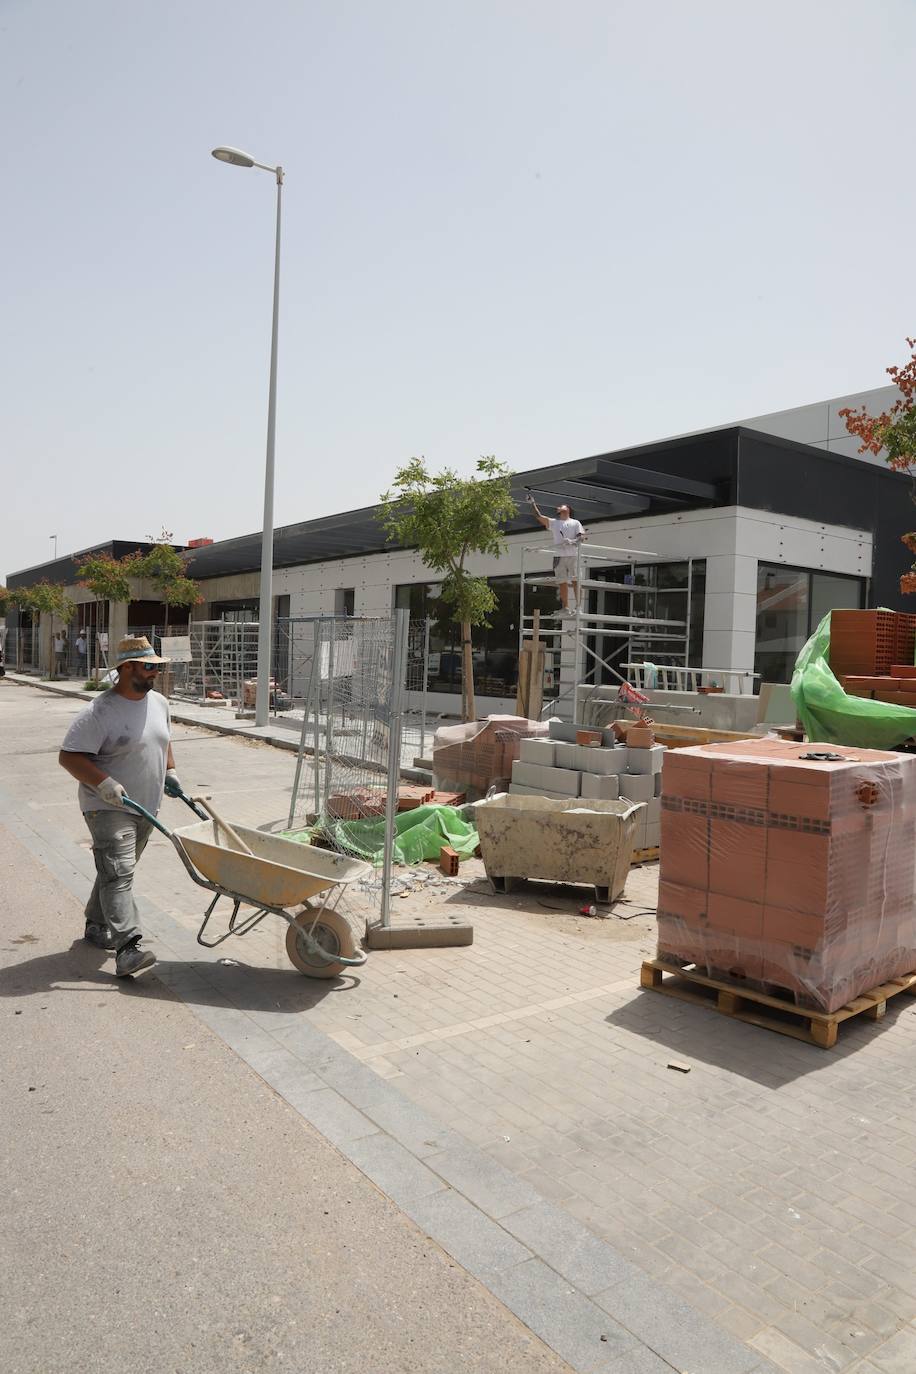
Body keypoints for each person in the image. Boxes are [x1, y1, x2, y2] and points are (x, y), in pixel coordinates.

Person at [58, 635, 185, 978]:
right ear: (126, 668)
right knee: (120, 870)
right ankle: (128, 947)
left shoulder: (159, 703)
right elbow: (68, 757)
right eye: (149, 666)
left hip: (146, 806)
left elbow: (163, 740)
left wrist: (170, 771)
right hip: (107, 806)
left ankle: (96, 924)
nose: (155, 672)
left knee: (114, 871)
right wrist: (104, 783)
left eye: (157, 666)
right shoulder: (99, 712)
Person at [527, 497, 587, 613]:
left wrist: (572, 541)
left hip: (573, 555)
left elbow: (582, 537)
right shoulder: (554, 523)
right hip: (559, 556)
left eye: (562, 506)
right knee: (562, 582)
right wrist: (532, 503)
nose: (559, 507)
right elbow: (539, 516)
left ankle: (578, 607)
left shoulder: (575, 523)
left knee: (576, 580)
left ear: (568, 509)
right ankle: (565, 607)